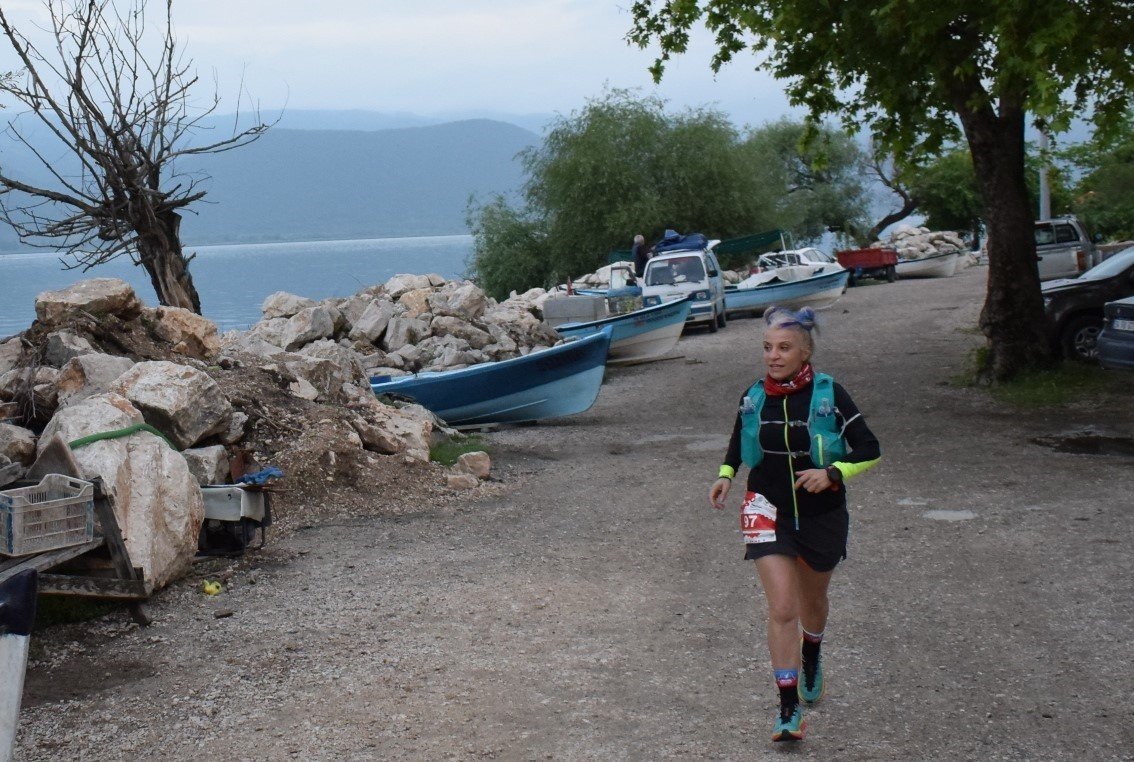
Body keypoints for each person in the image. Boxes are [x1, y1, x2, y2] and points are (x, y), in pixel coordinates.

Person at [708, 305, 880, 743]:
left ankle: (812, 651)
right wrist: (726, 476)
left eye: (784, 347)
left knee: (812, 602)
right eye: (767, 347)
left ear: (805, 351)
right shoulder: (754, 395)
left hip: (822, 515)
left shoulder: (830, 394)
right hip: (765, 505)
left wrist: (834, 472)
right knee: (782, 607)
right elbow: (737, 442)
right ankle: (787, 708)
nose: (773, 356)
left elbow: (870, 449)